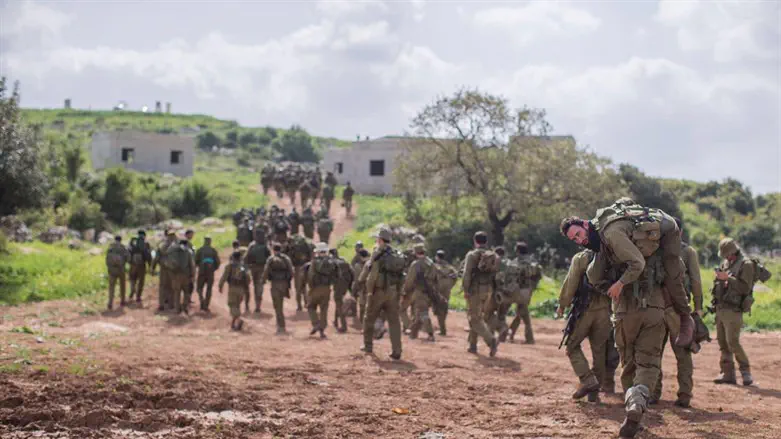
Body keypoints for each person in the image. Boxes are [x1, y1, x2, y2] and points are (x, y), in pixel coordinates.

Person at [652, 217, 703, 407]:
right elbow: (696, 282)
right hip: (662, 309)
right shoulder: (657, 250)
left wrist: (697, 309)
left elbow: (696, 282)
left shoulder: (687, 252)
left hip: (673, 309)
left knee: (678, 353)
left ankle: (677, 395)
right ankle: (676, 395)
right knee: (656, 352)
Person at [556, 249, 612, 403]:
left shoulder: (581, 257)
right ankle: (594, 393)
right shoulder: (614, 255)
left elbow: (571, 282)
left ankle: (588, 380)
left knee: (572, 347)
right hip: (606, 310)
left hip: (585, 309)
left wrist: (562, 305)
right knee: (599, 351)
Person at [712, 237, 755, 386]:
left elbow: (745, 288)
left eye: (727, 255)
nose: (725, 258)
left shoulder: (746, 265)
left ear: (733, 252)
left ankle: (746, 372)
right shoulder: (726, 263)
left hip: (734, 309)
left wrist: (728, 279)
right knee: (723, 343)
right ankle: (727, 374)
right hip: (721, 307)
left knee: (733, 342)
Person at [360, 228, 405, 360]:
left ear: (380, 240)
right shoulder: (396, 254)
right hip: (393, 292)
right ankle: (397, 351)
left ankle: (368, 346)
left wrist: (367, 289)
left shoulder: (377, 254)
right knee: (394, 322)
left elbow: (371, 274)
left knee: (369, 318)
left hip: (378, 292)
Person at [462, 231, 499, 357]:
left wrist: (465, 290)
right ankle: (472, 345)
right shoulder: (493, 256)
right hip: (488, 290)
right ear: (486, 242)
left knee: (474, 318)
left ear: (475, 241)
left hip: (475, 290)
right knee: (477, 316)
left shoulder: (472, 255)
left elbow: (466, 274)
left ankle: (491, 340)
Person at [404, 243, 440, 342]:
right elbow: (436, 278)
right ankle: (413, 334)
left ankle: (430, 334)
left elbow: (409, 281)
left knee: (423, 313)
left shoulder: (416, 264)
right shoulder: (431, 263)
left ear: (416, 253)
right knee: (418, 313)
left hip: (420, 291)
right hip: (430, 292)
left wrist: (405, 291)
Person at [307, 242, 338, 338]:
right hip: (327, 288)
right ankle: (322, 329)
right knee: (324, 309)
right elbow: (336, 275)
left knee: (310, 307)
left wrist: (311, 288)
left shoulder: (315, 262)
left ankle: (316, 324)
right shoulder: (332, 262)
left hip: (316, 288)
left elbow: (311, 276)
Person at [262, 243, 295, 333]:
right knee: (280, 304)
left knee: (277, 306)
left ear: (273, 250)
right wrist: (287, 281)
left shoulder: (271, 259)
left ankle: (281, 325)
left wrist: (263, 280)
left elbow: (266, 271)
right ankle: (281, 324)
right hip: (284, 284)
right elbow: (292, 272)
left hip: (275, 284)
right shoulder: (286, 258)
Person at [219, 251, 251, 331]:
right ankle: (233, 324)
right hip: (241, 289)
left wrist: (220, 286)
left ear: (233, 257)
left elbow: (224, 277)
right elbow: (248, 279)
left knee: (232, 305)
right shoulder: (243, 267)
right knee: (237, 305)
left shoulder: (230, 266)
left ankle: (239, 320)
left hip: (233, 288)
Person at [245, 230, 271, 313]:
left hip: (254, 268)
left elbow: (247, 257)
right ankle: (258, 305)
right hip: (262, 268)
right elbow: (269, 258)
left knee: (256, 286)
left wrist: (247, 266)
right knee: (259, 287)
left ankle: (257, 305)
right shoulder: (265, 246)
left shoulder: (252, 245)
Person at [433, 250, 458, 336]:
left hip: (437, 291)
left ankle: (442, 329)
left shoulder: (434, 267)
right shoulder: (450, 268)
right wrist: (450, 285)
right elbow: (455, 277)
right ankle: (442, 328)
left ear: (437, 257)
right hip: (446, 291)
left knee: (437, 309)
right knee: (444, 308)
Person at [330, 248, 354, 333]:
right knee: (338, 301)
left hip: (338, 285)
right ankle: (336, 321)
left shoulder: (332, 262)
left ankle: (344, 326)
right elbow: (352, 272)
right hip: (345, 285)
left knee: (339, 303)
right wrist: (350, 288)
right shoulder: (344, 261)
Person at [194, 236, 221, 312]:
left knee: (199, 288)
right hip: (210, 273)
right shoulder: (213, 251)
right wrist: (213, 269)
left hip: (202, 272)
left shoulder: (200, 250)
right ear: (210, 242)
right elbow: (218, 262)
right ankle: (206, 304)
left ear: (204, 241)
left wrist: (200, 266)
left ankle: (201, 299)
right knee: (209, 289)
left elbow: (195, 261)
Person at [105, 235, 130, 310]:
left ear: (115, 239)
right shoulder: (123, 247)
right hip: (121, 270)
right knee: (122, 286)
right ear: (121, 240)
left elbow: (107, 259)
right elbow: (128, 258)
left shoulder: (110, 247)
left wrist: (109, 267)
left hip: (112, 270)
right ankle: (122, 301)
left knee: (111, 287)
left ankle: (110, 302)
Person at [128, 230, 152, 304]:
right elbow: (148, 255)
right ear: (144, 236)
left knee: (132, 279)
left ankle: (132, 290)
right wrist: (150, 265)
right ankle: (138, 296)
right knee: (141, 282)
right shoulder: (146, 244)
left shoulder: (132, 242)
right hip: (142, 265)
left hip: (133, 265)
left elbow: (128, 252)